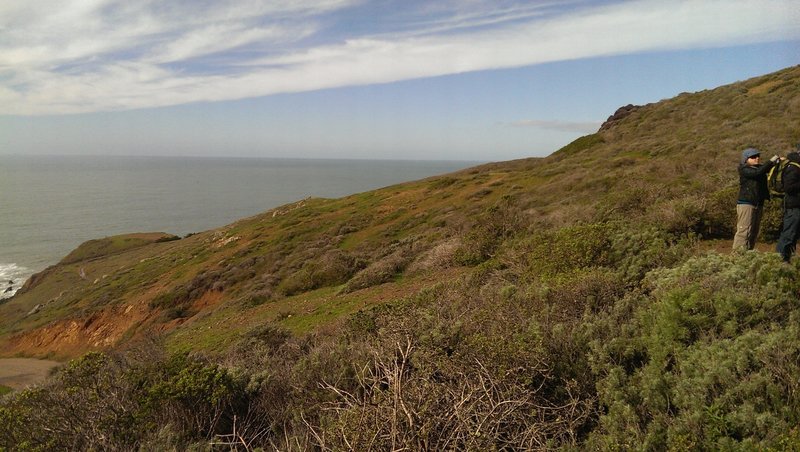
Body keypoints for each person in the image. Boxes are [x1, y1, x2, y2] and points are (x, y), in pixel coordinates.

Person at [733, 147, 779, 250]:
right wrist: (772, 160)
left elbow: (763, 170)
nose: (757, 158)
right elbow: (758, 172)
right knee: (744, 231)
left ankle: (749, 255)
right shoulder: (744, 169)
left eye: (758, 156)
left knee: (753, 231)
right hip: (746, 203)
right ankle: (737, 256)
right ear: (746, 159)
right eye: (753, 157)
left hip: (758, 203)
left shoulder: (759, 168)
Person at [776, 148, 800, 262]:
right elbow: (789, 187)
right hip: (793, 206)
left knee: (793, 234)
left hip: (795, 206)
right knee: (789, 234)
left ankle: (786, 260)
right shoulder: (793, 167)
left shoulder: (795, 166)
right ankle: (779, 260)